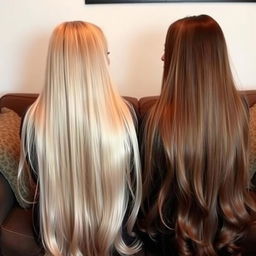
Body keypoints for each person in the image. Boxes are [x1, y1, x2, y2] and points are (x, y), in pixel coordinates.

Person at [19, 21, 142, 256]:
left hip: (54, 231)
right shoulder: (126, 116)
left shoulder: (32, 120)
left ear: (55, 62)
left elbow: (37, 178)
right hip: (115, 233)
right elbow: (132, 182)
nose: (109, 60)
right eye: (106, 54)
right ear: (97, 62)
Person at [139, 15, 256, 256]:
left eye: (167, 50)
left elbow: (149, 200)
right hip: (228, 236)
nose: (163, 58)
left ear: (183, 59)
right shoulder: (239, 112)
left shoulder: (155, 119)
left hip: (168, 239)